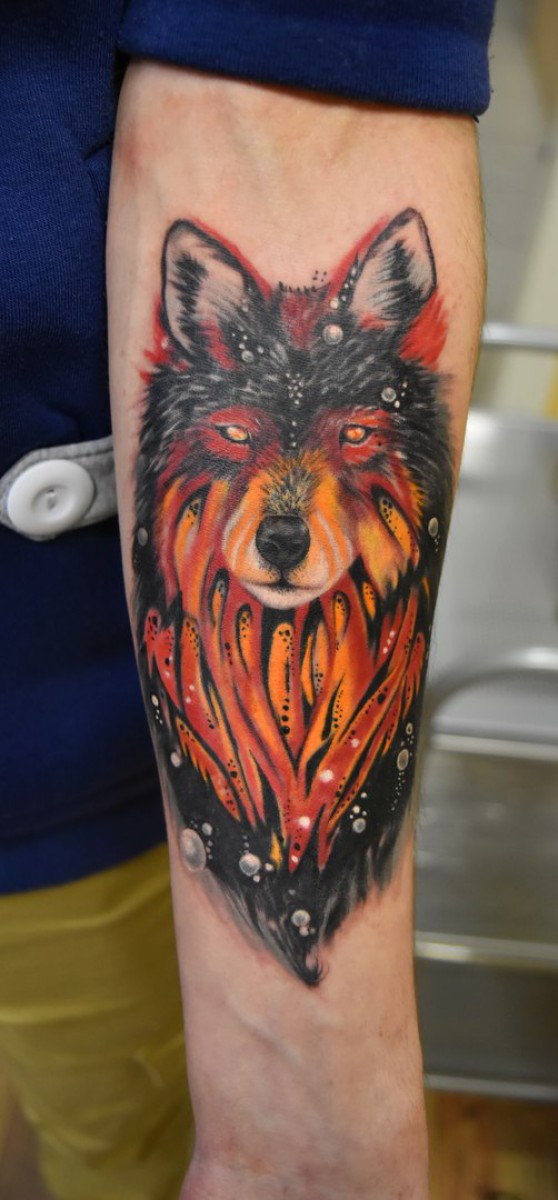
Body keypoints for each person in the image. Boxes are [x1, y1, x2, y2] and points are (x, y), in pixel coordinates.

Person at [0, 4, 495, 1198]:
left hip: (67, 759)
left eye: (349, 437)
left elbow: (305, 114)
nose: (286, 505)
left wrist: (306, 1119)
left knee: (116, 1132)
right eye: (236, 433)